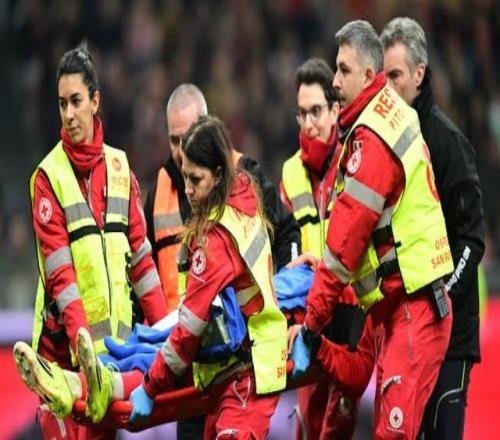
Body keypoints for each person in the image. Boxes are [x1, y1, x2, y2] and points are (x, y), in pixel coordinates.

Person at [15, 115, 289, 440]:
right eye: (184, 177)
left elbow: (185, 336)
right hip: (230, 352)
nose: (188, 190)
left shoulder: (215, 242)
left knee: (151, 356)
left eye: (195, 179)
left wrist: (148, 390)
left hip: (244, 367)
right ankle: (77, 382)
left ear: (218, 175)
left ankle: (86, 385)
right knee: (143, 348)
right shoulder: (242, 195)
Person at [289, 20, 454, 439]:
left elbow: (343, 248)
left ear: (367, 75)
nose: (335, 81)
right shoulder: (390, 116)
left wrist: (309, 325)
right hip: (397, 306)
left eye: (343, 70)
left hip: (411, 307)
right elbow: (355, 370)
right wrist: (318, 344)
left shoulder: (372, 139)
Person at [12, 41, 168, 439]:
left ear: (95, 101)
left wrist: (165, 337)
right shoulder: (48, 177)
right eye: (62, 104)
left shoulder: (120, 167)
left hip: (113, 357)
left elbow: (143, 265)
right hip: (65, 360)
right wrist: (86, 359)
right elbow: (61, 279)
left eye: (76, 101)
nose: (68, 114)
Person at [142, 83, 301, 438]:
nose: (182, 151)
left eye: (189, 137)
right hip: (195, 367)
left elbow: (286, 235)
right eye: (174, 140)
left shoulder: (243, 185)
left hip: (232, 362)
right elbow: (145, 272)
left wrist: (150, 385)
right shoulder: (163, 194)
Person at [381, 17, 485, 439]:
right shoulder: (386, 142)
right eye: (383, 78)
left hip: (451, 334)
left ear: (419, 74)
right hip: (407, 331)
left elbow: (472, 240)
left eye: (396, 76)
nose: (388, 89)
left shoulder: (447, 143)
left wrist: (441, 296)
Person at [280, 57, 361, 439]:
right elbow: (287, 248)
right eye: (302, 114)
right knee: (309, 427)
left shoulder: (354, 161)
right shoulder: (290, 172)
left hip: (350, 316)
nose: (308, 123)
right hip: (309, 319)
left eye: (316, 111)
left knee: (338, 427)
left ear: (335, 111)